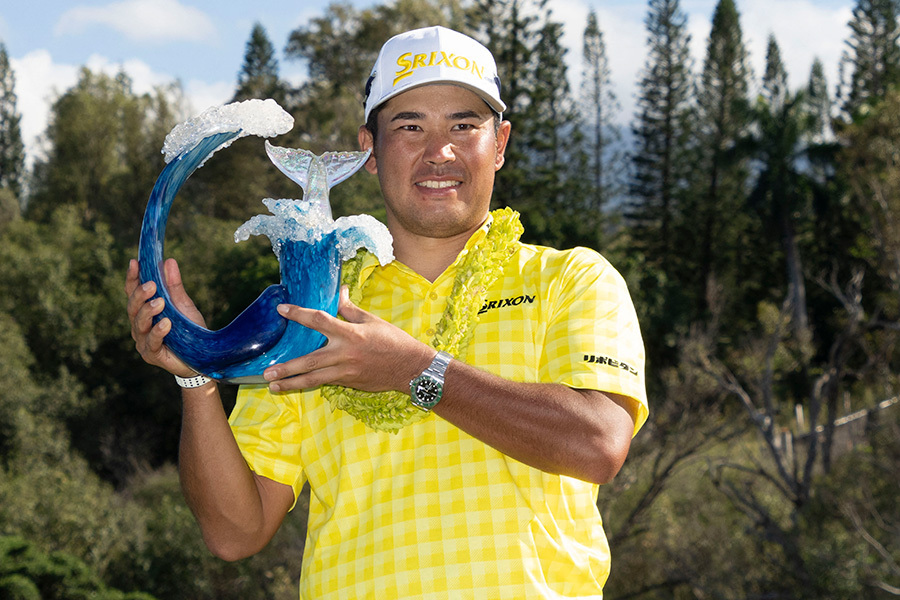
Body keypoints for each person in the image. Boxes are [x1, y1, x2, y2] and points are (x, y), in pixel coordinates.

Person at [126, 25, 648, 599]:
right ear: (369, 150)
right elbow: (235, 531)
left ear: (499, 144)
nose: (439, 151)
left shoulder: (572, 279)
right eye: (410, 125)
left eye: (463, 125)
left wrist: (414, 372)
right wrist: (196, 376)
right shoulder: (314, 308)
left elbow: (598, 444)